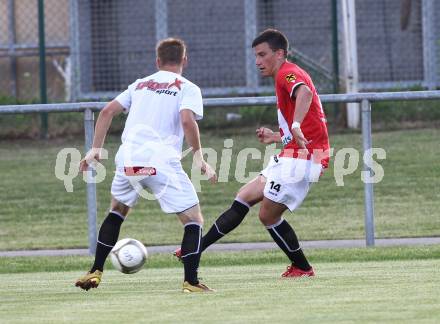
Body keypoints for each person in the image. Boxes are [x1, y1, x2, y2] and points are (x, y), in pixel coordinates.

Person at [175, 29, 330, 277]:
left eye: (262, 54)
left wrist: (296, 125)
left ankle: (303, 268)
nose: (258, 61)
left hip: (305, 158)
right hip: (297, 152)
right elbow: (311, 125)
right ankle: (195, 249)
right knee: (244, 195)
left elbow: (305, 93)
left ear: (279, 54)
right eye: (255, 56)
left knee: (267, 215)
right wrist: (278, 136)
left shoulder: (287, 73)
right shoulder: (286, 73)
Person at [75, 37, 217, 292]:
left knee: (117, 211)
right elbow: (187, 120)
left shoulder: (139, 85)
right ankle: (191, 282)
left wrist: (95, 149)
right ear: (184, 60)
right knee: (193, 219)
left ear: (157, 61)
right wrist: (198, 156)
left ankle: (95, 270)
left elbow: (107, 111)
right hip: (160, 161)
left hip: (128, 160)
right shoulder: (188, 87)